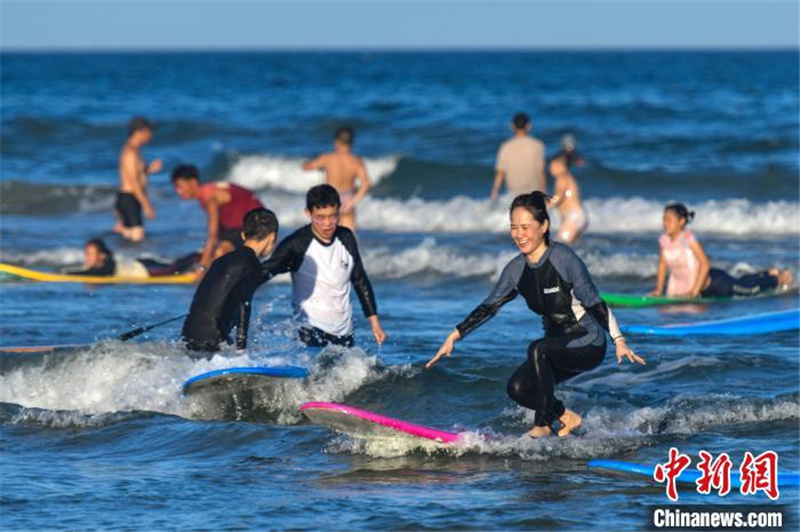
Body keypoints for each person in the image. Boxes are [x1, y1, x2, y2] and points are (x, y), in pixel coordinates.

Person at [427, 192, 644, 438]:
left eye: (526, 227)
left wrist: (619, 340)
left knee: (537, 349)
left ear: (544, 227)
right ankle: (565, 417)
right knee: (518, 388)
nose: (519, 234)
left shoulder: (564, 260)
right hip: (555, 346)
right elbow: (489, 306)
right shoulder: (515, 270)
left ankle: (542, 425)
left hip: (587, 341)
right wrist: (454, 336)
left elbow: (594, 302)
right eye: (514, 228)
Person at [260, 184, 386, 348]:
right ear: (308, 213)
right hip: (310, 329)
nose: (327, 223)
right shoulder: (297, 244)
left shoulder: (346, 238)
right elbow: (266, 270)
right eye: (320, 217)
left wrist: (375, 323)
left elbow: (360, 280)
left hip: (344, 331)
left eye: (333, 216)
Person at [181, 208, 279, 352]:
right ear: (272, 237)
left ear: (243, 235)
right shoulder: (252, 264)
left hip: (189, 332)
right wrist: (241, 348)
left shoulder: (220, 261)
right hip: (213, 338)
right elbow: (243, 305)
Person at [651, 203, 794, 298]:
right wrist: (658, 290)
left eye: (669, 220)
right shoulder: (664, 240)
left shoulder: (688, 238)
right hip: (695, 288)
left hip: (716, 283)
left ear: (681, 221)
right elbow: (662, 265)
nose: (665, 223)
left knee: (748, 290)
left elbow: (705, 263)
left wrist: (694, 292)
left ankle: (778, 278)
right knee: (740, 281)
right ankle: (768, 272)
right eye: (664, 219)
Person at [171, 165, 265, 271]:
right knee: (209, 254)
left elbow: (213, 234)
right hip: (240, 226)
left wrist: (202, 267)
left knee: (219, 253)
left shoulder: (210, 197)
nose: (178, 191)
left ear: (193, 182)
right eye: (175, 187)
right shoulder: (208, 190)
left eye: (180, 186)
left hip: (256, 226)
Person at [302, 126, 372, 232]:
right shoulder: (356, 161)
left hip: (330, 199)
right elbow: (366, 184)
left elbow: (307, 167)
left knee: (327, 237)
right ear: (351, 142)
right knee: (349, 239)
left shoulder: (328, 158)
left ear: (336, 142)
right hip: (348, 199)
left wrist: (307, 163)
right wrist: (353, 202)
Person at [114, 117, 162, 242]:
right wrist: (147, 205)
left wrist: (149, 170)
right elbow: (134, 183)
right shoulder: (130, 152)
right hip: (129, 198)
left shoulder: (134, 150)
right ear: (140, 131)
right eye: (149, 132)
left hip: (130, 198)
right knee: (137, 239)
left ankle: (123, 259)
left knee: (129, 240)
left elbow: (136, 174)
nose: (150, 136)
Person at [65, 239, 200, 278]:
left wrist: (71, 275)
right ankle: (199, 256)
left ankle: (198, 255)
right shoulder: (97, 265)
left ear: (101, 255)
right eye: (86, 253)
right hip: (141, 262)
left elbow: (95, 274)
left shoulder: (106, 266)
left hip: (144, 270)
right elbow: (85, 270)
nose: (86, 257)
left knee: (174, 268)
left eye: (90, 254)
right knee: (176, 263)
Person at [490, 112, 546, 201]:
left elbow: (500, 173)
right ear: (529, 126)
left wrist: (494, 194)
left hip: (514, 196)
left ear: (512, 127)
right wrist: (544, 193)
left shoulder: (505, 147)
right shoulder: (538, 145)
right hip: (533, 194)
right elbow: (541, 172)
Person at [548, 135, 588, 244]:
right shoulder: (567, 176)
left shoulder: (562, 176)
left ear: (560, 165)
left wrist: (545, 206)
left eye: (552, 164)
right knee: (570, 248)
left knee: (561, 245)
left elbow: (559, 196)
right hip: (577, 216)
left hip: (574, 216)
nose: (550, 168)